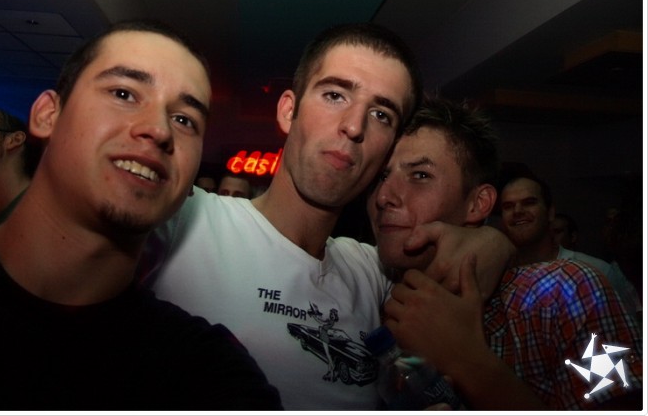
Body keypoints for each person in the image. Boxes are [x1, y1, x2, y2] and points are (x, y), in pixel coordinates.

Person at [148, 22, 516, 410]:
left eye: (381, 114)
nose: (354, 125)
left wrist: (493, 241)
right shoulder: (184, 221)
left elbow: (479, 258)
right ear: (288, 111)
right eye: (335, 95)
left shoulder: (371, 271)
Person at [0, 19, 282, 411]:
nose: (159, 130)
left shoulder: (203, 370)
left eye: (184, 120)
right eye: (124, 93)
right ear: (47, 115)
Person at [369, 96, 643, 410]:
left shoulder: (566, 294)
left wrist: (467, 361)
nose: (384, 196)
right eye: (381, 176)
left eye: (420, 175)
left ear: (478, 204)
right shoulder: (366, 291)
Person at [499, 174, 641, 317]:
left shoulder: (597, 271)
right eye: (508, 206)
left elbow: (623, 329)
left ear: (550, 213)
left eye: (529, 203)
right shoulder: (497, 276)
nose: (517, 211)